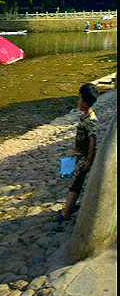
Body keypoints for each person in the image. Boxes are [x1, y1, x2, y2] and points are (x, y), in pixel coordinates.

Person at [57, 83, 99, 223]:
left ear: (85, 103)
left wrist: (88, 159)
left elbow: (92, 140)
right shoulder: (85, 117)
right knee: (75, 180)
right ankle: (69, 208)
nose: (78, 102)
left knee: (76, 183)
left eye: (79, 99)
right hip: (80, 154)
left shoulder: (91, 121)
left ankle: (66, 211)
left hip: (84, 157)